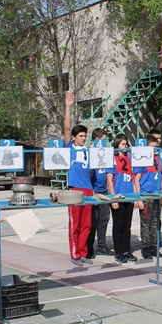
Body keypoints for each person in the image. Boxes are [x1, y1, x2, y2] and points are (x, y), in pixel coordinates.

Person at [63, 92, 93, 266]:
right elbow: (67, 128)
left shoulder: (88, 151)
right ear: (74, 137)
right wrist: (68, 107)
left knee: (86, 225)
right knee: (74, 225)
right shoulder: (70, 148)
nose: (83, 138)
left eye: (84, 136)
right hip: (75, 190)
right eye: (81, 136)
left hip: (88, 190)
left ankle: (83, 253)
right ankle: (74, 255)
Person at [107, 134, 140, 263]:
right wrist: (113, 199)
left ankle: (126, 250)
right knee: (118, 226)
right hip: (118, 197)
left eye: (126, 144)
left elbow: (133, 180)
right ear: (117, 145)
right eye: (122, 144)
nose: (125, 146)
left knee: (127, 226)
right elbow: (109, 180)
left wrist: (136, 197)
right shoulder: (113, 160)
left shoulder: (130, 160)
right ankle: (118, 251)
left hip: (129, 197)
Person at [134, 134, 162, 259]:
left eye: (155, 147)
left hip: (157, 194)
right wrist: (139, 198)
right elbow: (136, 180)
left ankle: (154, 246)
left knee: (155, 222)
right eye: (151, 147)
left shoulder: (159, 159)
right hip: (146, 195)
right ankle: (146, 248)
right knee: (146, 223)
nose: (153, 149)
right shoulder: (142, 160)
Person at [87, 127, 113, 258]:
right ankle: (89, 248)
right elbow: (87, 175)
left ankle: (102, 246)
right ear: (97, 139)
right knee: (92, 223)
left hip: (104, 191)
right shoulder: (89, 153)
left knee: (103, 221)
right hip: (93, 192)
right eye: (104, 140)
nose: (105, 143)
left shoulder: (105, 154)